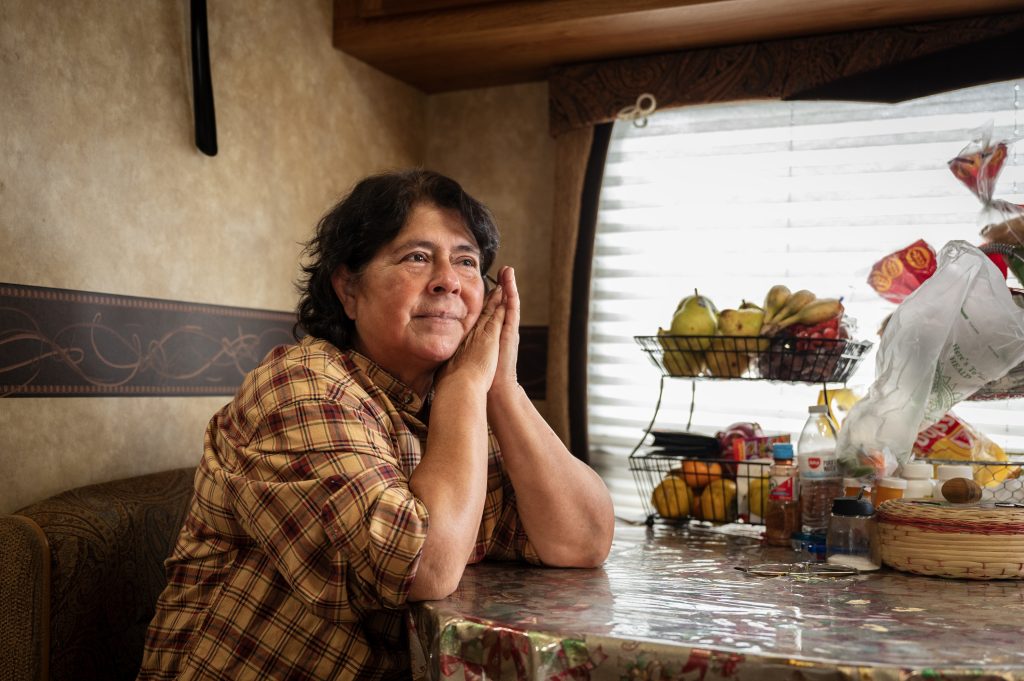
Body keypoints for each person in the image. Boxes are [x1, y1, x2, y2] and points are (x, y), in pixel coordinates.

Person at [138, 169, 616, 681]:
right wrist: (465, 389)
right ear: (348, 289)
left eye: (467, 261)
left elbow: (583, 540)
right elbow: (422, 565)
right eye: (416, 256)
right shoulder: (300, 384)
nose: (448, 279)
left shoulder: (458, 403)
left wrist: (502, 388)